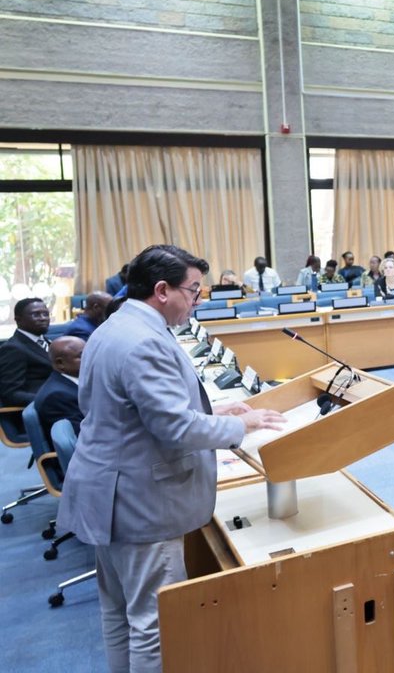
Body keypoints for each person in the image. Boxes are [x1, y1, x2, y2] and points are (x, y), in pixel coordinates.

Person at [57, 244, 285, 672]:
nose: (196, 301)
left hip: (106, 491)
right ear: (162, 290)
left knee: (119, 611)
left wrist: (214, 411)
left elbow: (129, 410)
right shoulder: (145, 340)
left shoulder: (113, 326)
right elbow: (174, 430)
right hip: (140, 500)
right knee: (154, 622)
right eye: (193, 291)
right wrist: (243, 427)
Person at [0, 297, 53, 407]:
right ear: (18, 320)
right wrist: (51, 400)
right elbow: (11, 393)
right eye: (36, 315)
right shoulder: (13, 349)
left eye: (46, 314)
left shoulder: (49, 343)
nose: (43, 318)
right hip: (40, 410)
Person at [34, 336, 85, 439]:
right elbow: (82, 437)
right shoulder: (58, 396)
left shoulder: (67, 383)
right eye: (82, 355)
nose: (90, 358)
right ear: (60, 363)